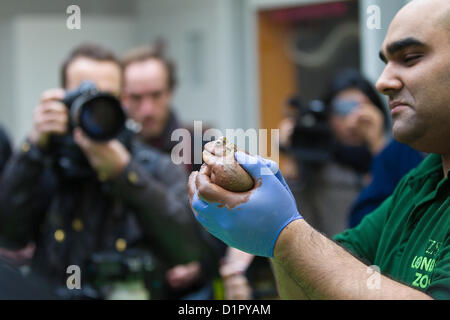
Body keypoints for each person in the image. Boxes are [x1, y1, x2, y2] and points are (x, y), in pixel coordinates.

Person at [188, 0, 449, 299]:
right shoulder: (421, 183)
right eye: (386, 62)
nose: (382, 82)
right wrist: (272, 233)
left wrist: (284, 233)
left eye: (411, 57)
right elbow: (313, 288)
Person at [0, 43, 207, 299]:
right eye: (82, 96)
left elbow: (187, 247)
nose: (95, 109)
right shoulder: (44, 162)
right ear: (63, 98)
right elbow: (8, 234)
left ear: (122, 100)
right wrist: (32, 148)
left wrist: (124, 173)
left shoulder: (153, 166)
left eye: (105, 97)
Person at [121, 45, 225, 299]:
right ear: (122, 97)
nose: (147, 109)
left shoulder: (199, 148)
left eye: (156, 95)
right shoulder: (109, 150)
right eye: (136, 98)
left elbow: (226, 224)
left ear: (170, 92)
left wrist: (201, 265)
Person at [280, 69, 390, 238]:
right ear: (328, 115)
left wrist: (378, 144)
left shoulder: (395, 154)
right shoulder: (318, 163)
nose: (353, 120)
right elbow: (295, 225)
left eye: (362, 108)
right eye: (342, 109)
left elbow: (401, 202)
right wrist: (292, 155)